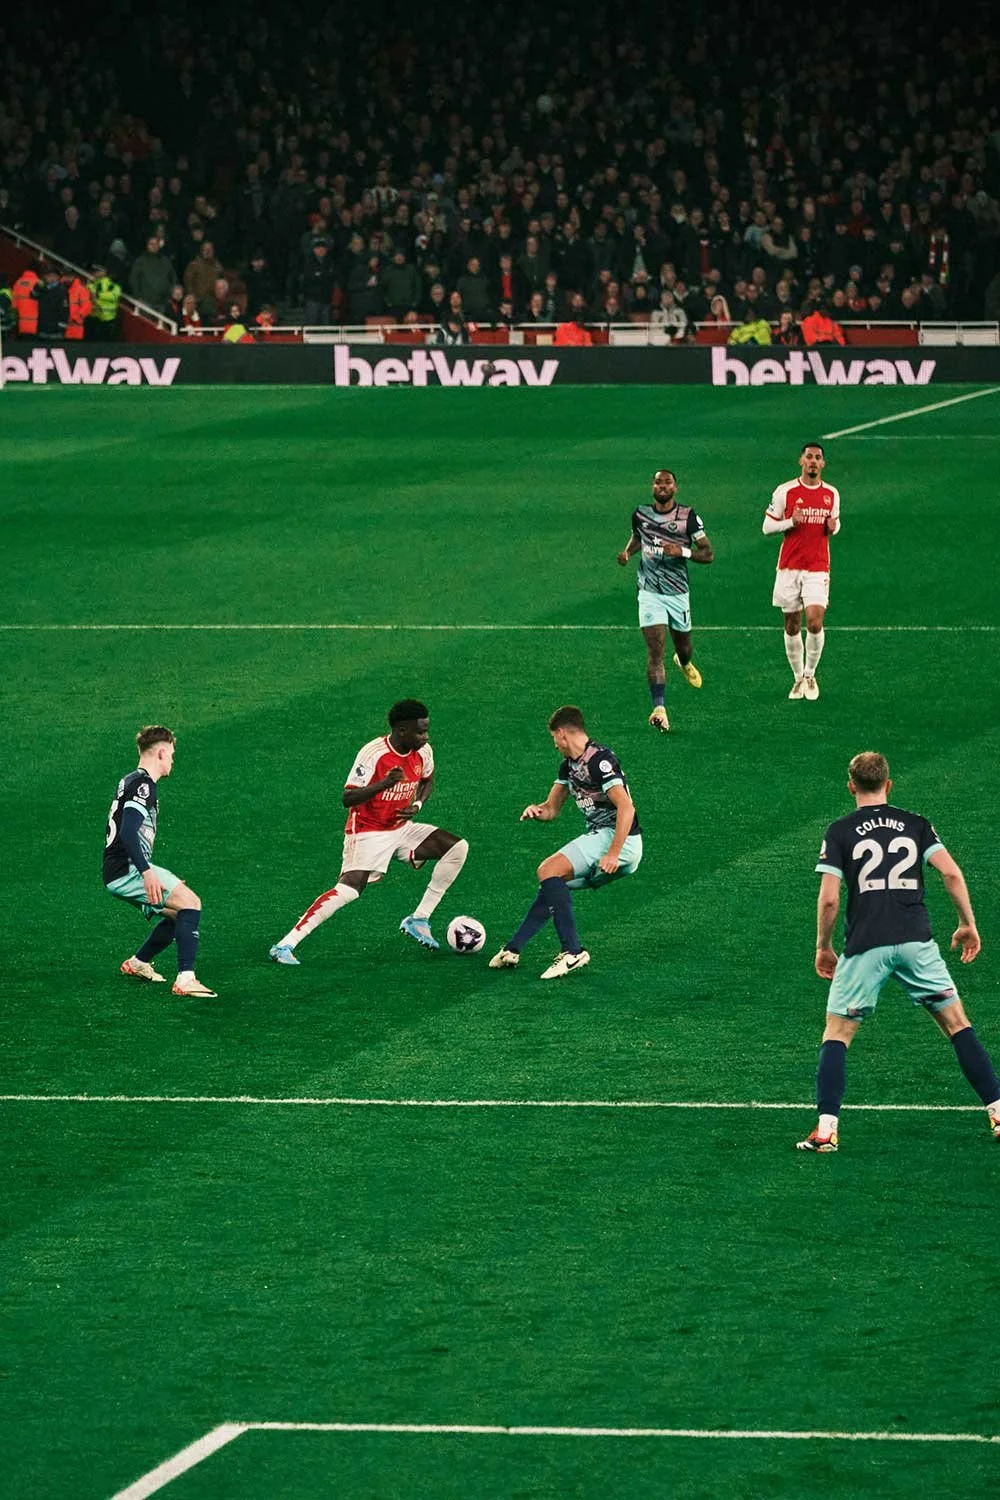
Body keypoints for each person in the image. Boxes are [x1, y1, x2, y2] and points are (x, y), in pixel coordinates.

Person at [798, 751, 1000, 1152]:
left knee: (837, 1033)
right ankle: (998, 1112)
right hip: (916, 943)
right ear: (888, 784)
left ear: (851, 786)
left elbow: (830, 900)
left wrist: (823, 946)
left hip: (865, 945)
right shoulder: (916, 824)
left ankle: (826, 1130)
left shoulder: (840, 832)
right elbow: (951, 872)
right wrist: (967, 923)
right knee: (957, 1025)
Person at [269, 700, 469, 963]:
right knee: (349, 890)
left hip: (401, 828)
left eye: (426, 730)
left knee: (457, 848)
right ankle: (285, 945)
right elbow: (348, 798)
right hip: (368, 832)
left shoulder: (423, 752)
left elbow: (427, 780)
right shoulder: (374, 754)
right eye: (421, 732)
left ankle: (419, 919)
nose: (426, 737)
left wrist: (417, 805)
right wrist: (385, 783)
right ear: (402, 731)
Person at [489, 706, 642, 979]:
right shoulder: (568, 766)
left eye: (554, 739)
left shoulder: (600, 761)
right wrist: (537, 811)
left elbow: (626, 807)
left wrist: (613, 853)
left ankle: (573, 952)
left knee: (548, 869)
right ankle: (513, 949)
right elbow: (551, 809)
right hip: (604, 838)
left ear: (561, 733)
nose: (555, 745)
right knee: (551, 886)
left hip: (619, 839)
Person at [103, 726, 216, 998]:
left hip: (118, 869)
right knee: (191, 903)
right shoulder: (144, 785)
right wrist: (147, 873)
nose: (173, 761)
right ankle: (186, 979)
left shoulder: (130, 780)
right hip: (128, 868)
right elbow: (128, 831)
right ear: (161, 753)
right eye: (172, 755)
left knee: (180, 914)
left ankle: (138, 963)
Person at [616, 469, 714, 732]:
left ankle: (683, 662)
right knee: (655, 651)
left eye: (667, 482)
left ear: (675, 488)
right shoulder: (640, 514)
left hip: (678, 593)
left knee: (684, 648)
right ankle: (659, 708)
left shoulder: (687, 517)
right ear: (653, 486)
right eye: (658, 482)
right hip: (649, 592)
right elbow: (639, 537)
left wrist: (682, 551)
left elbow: (708, 554)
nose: (662, 486)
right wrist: (627, 553)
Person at [762, 441, 840, 702]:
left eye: (818, 457)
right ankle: (797, 678)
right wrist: (789, 522)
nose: (813, 461)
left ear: (823, 463)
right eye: (809, 457)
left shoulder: (832, 494)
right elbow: (766, 527)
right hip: (789, 567)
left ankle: (810, 674)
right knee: (792, 625)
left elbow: (834, 523)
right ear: (801, 461)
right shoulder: (785, 491)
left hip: (817, 567)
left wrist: (834, 527)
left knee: (815, 622)